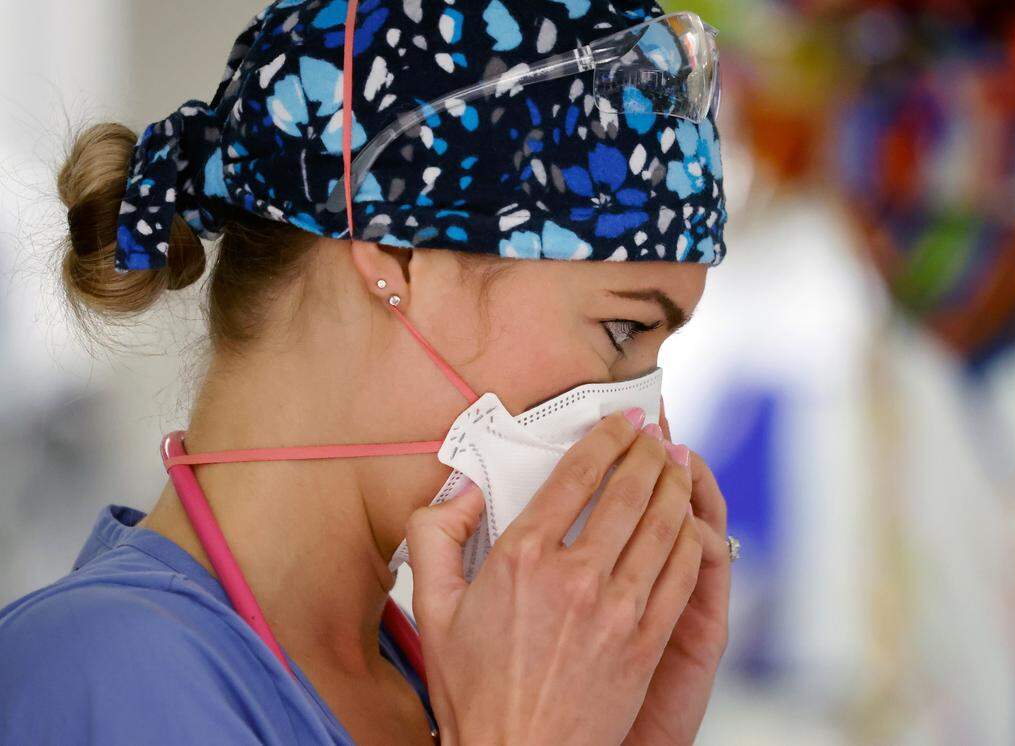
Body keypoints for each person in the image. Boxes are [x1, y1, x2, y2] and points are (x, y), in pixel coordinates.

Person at [0, 0, 732, 743]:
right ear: (399, 254)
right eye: (624, 329)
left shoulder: (431, 685)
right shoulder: (98, 673)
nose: (649, 423)